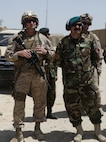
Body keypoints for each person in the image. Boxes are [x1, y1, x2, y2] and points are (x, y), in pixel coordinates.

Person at [54, 16, 106, 142]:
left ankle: (97, 131)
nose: (77, 27)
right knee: (73, 107)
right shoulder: (63, 43)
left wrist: (91, 72)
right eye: (74, 26)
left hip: (87, 81)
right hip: (70, 83)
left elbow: (96, 58)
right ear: (69, 28)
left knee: (93, 106)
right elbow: (57, 61)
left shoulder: (90, 40)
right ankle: (79, 131)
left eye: (79, 25)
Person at [5, 11, 55, 142]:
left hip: (38, 76)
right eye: (28, 20)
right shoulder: (16, 38)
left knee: (40, 103)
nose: (31, 23)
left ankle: (37, 128)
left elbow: (54, 55)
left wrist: (46, 52)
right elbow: (8, 56)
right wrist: (19, 53)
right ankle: (18, 131)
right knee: (19, 103)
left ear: (36, 22)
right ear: (24, 22)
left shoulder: (43, 38)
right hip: (22, 75)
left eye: (33, 20)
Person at [80, 13, 104, 115]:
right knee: (79, 90)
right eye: (84, 23)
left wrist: (98, 68)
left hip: (91, 68)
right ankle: (81, 108)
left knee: (95, 89)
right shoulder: (75, 35)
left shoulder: (93, 37)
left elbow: (99, 55)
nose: (86, 26)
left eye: (88, 24)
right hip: (77, 68)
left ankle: (98, 107)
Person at [39, 27, 58, 119]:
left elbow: (54, 60)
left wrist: (56, 73)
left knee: (51, 93)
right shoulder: (38, 45)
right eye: (46, 34)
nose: (48, 36)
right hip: (42, 73)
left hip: (51, 73)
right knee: (41, 94)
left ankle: (49, 112)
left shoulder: (50, 47)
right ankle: (40, 113)